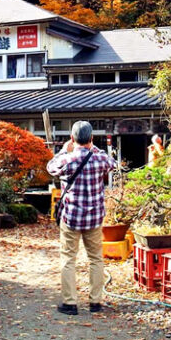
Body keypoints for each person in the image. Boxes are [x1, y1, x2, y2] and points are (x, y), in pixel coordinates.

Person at [47, 121, 117, 315]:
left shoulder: (67, 160)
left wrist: (63, 150)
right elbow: (113, 163)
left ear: (72, 138)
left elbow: (50, 167)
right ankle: (95, 302)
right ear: (91, 139)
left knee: (68, 258)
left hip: (71, 217)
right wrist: (92, 147)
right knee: (96, 259)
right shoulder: (100, 158)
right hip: (94, 218)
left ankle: (70, 303)